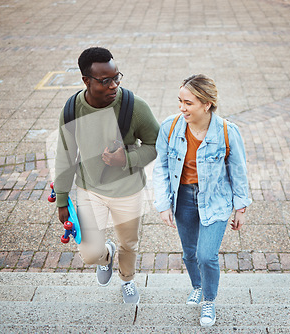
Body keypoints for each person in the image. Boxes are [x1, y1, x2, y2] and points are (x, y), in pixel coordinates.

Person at [54, 47, 160, 304]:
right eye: (105, 81)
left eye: (116, 77)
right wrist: (61, 198)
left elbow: (156, 144)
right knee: (90, 254)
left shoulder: (134, 107)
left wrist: (127, 158)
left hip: (128, 191)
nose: (114, 85)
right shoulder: (72, 110)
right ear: (86, 81)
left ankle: (127, 279)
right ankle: (106, 257)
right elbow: (65, 155)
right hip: (90, 189)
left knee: (129, 244)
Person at [153, 74, 252, 327]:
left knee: (206, 255)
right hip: (183, 198)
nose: (182, 108)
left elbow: (238, 171)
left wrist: (240, 207)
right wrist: (163, 204)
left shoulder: (228, 132)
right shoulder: (170, 127)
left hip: (216, 199)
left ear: (206, 104)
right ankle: (197, 285)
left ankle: (209, 300)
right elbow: (161, 167)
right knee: (189, 254)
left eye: (188, 103)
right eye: (180, 101)